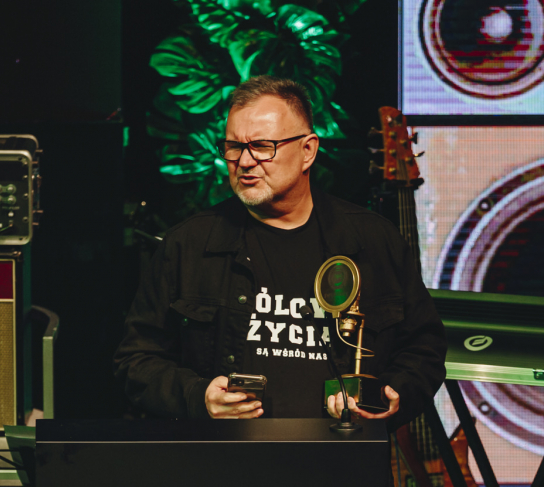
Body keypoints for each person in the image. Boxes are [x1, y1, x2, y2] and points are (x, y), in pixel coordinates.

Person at [115, 75, 446, 428]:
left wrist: (391, 395)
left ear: (308, 151)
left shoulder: (373, 241)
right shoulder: (190, 245)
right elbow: (136, 361)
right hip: (229, 457)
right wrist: (199, 397)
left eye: (262, 146)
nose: (244, 161)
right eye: (233, 146)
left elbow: (423, 350)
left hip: (340, 455)